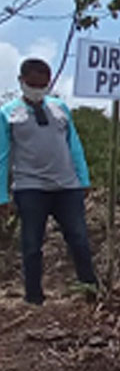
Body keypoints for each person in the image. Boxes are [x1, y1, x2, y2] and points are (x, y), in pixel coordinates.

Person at [0, 58, 97, 304]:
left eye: (43, 84)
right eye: (32, 84)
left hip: (67, 187)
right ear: (22, 82)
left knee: (79, 240)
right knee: (31, 245)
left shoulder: (60, 108)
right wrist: (2, 196)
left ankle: (91, 292)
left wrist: (83, 179)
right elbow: (2, 157)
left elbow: (74, 145)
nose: (38, 89)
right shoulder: (8, 113)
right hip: (30, 187)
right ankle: (34, 298)